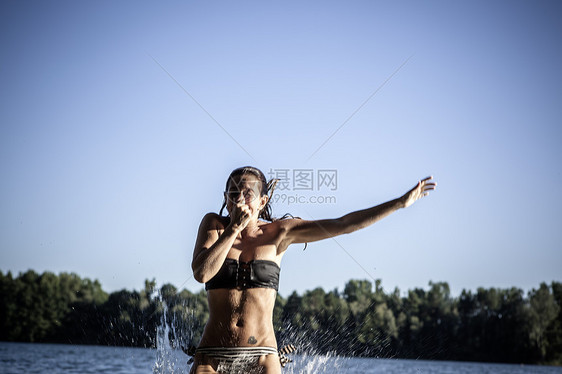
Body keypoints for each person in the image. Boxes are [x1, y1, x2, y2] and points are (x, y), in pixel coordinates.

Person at [190, 166, 436, 374]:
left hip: (262, 356)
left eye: (248, 194)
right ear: (225, 198)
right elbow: (202, 273)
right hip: (211, 357)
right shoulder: (214, 226)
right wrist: (233, 229)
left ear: (262, 201)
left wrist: (399, 203)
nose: (239, 200)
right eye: (233, 193)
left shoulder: (280, 233)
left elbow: (343, 224)